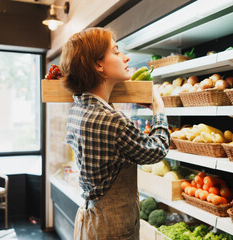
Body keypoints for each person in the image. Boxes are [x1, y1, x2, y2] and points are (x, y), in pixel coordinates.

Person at [59, 27, 170, 240]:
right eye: (116, 51)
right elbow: (158, 149)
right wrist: (158, 106)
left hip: (91, 220)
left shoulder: (78, 107)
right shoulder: (112, 122)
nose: (125, 57)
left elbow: (103, 122)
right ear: (98, 64)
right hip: (113, 228)